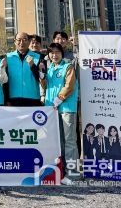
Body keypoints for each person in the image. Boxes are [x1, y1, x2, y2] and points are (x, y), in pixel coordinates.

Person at [41, 42, 79, 185]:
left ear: (62, 54)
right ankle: (62, 171)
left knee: (70, 141)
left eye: (57, 52)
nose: (54, 55)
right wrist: (42, 77)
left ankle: (73, 172)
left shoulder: (68, 67)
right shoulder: (50, 68)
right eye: (52, 53)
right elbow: (46, 86)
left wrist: (58, 99)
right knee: (59, 141)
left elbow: (69, 86)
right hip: (52, 109)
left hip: (66, 108)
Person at [5, 32, 41, 106]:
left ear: (29, 41)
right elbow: (5, 81)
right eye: (19, 40)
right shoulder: (8, 57)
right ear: (15, 41)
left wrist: (33, 66)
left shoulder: (38, 57)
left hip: (33, 98)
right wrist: (6, 99)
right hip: (13, 99)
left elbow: (41, 79)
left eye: (24, 40)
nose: (22, 42)